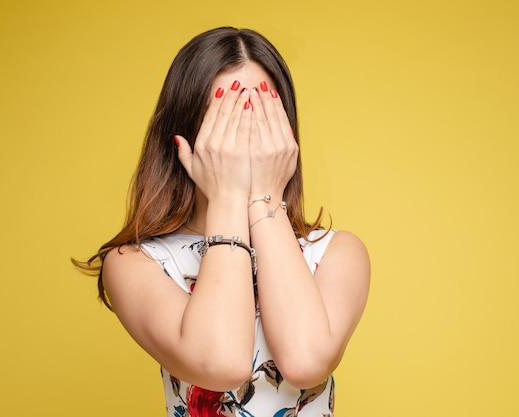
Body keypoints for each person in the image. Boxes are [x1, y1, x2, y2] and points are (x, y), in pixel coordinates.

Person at [74, 27, 370, 417]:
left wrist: (264, 196)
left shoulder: (337, 252)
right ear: (183, 137)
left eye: (262, 115)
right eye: (224, 118)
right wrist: (228, 198)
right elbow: (221, 363)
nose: (242, 138)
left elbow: (306, 360)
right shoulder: (136, 263)